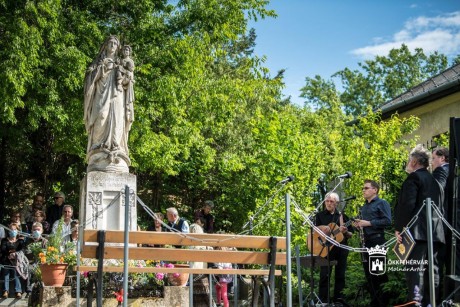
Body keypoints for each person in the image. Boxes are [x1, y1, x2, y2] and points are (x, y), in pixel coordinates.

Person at [395, 145, 445, 305]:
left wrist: (399, 228)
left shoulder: (414, 178)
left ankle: (416, 302)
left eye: (410, 159)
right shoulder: (434, 181)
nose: (408, 162)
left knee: (415, 268)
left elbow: (407, 205)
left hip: (416, 232)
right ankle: (432, 302)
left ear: (415, 161)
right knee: (433, 270)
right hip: (436, 232)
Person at [84, 35, 133, 172]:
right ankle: (98, 149)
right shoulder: (98, 61)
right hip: (102, 93)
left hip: (117, 96)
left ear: (118, 47)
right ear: (105, 45)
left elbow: (127, 81)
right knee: (101, 116)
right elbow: (89, 79)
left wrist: (126, 79)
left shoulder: (121, 62)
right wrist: (101, 68)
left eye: (115, 43)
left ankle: (116, 148)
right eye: (110, 42)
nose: (112, 45)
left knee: (118, 121)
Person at [354, 179, 391, 307]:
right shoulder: (363, 207)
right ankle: (374, 302)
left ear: (375, 190)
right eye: (363, 188)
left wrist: (368, 223)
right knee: (369, 276)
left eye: (366, 188)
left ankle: (383, 302)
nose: (363, 190)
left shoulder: (382, 203)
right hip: (365, 243)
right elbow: (363, 225)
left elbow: (387, 221)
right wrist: (358, 225)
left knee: (378, 274)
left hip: (377, 241)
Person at [314, 192, 353, 304]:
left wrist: (345, 232)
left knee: (340, 274)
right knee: (324, 274)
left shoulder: (342, 216)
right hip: (325, 248)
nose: (329, 203)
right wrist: (323, 230)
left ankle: (338, 301)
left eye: (331, 201)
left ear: (336, 203)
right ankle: (323, 301)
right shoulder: (320, 215)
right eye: (327, 201)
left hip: (341, 247)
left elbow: (351, 234)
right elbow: (315, 232)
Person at [1, 223, 26, 298]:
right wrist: (10, 253)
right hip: (6, 260)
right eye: (11, 229)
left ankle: (18, 291)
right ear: (8, 231)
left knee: (16, 274)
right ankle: (5, 291)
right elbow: (3, 249)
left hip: (16, 261)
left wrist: (22, 240)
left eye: (14, 229)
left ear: (17, 231)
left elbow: (22, 249)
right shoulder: (4, 240)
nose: (13, 231)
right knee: (6, 273)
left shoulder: (19, 241)